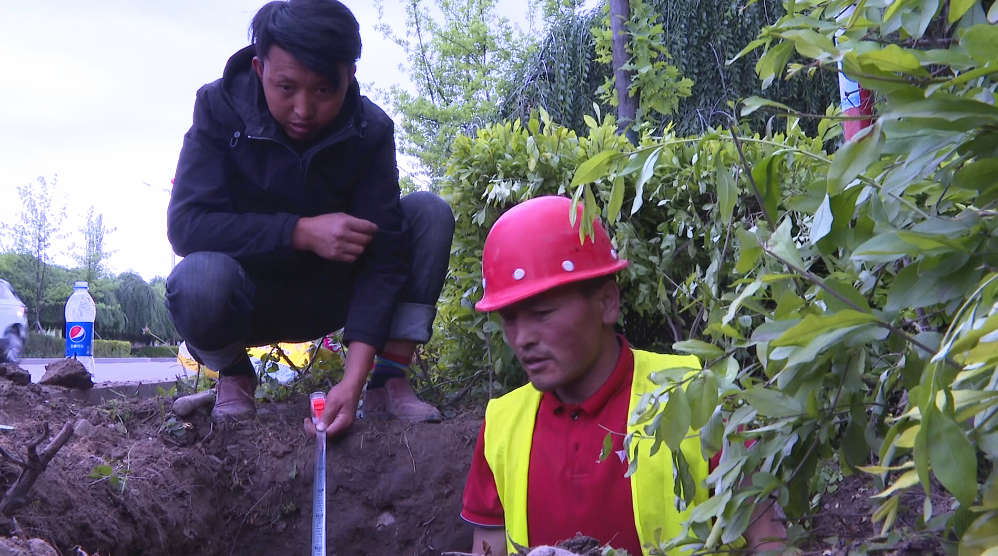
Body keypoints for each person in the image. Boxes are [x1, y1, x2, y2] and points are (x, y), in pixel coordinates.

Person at [165, 0, 454, 435]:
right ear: (260, 69)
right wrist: (299, 232)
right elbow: (187, 225)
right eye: (286, 88)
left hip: (335, 294)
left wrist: (352, 382)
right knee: (197, 279)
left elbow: (386, 257)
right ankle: (235, 375)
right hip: (246, 295)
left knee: (428, 215)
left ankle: (388, 378)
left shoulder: (370, 130)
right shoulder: (217, 108)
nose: (303, 108)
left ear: (349, 76)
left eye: (323, 90)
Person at [460, 196, 787, 555]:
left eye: (542, 313)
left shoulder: (695, 394)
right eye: (509, 319)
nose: (522, 339)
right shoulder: (501, 427)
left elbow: (768, 539)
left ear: (607, 303)